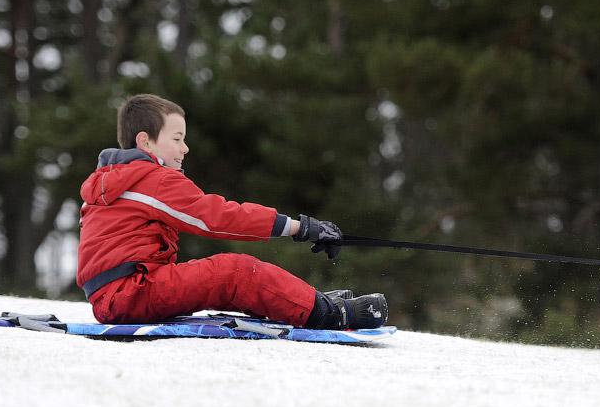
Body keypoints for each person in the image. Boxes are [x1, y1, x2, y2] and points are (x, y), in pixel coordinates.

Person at [76, 94, 387, 330]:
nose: (185, 148)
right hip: (131, 292)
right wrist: (298, 227)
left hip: (117, 294)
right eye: (177, 139)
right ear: (145, 141)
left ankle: (306, 301)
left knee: (223, 283)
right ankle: (330, 314)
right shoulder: (150, 180)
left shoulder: (115, 180)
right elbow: (216, 217)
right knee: (235, 272)